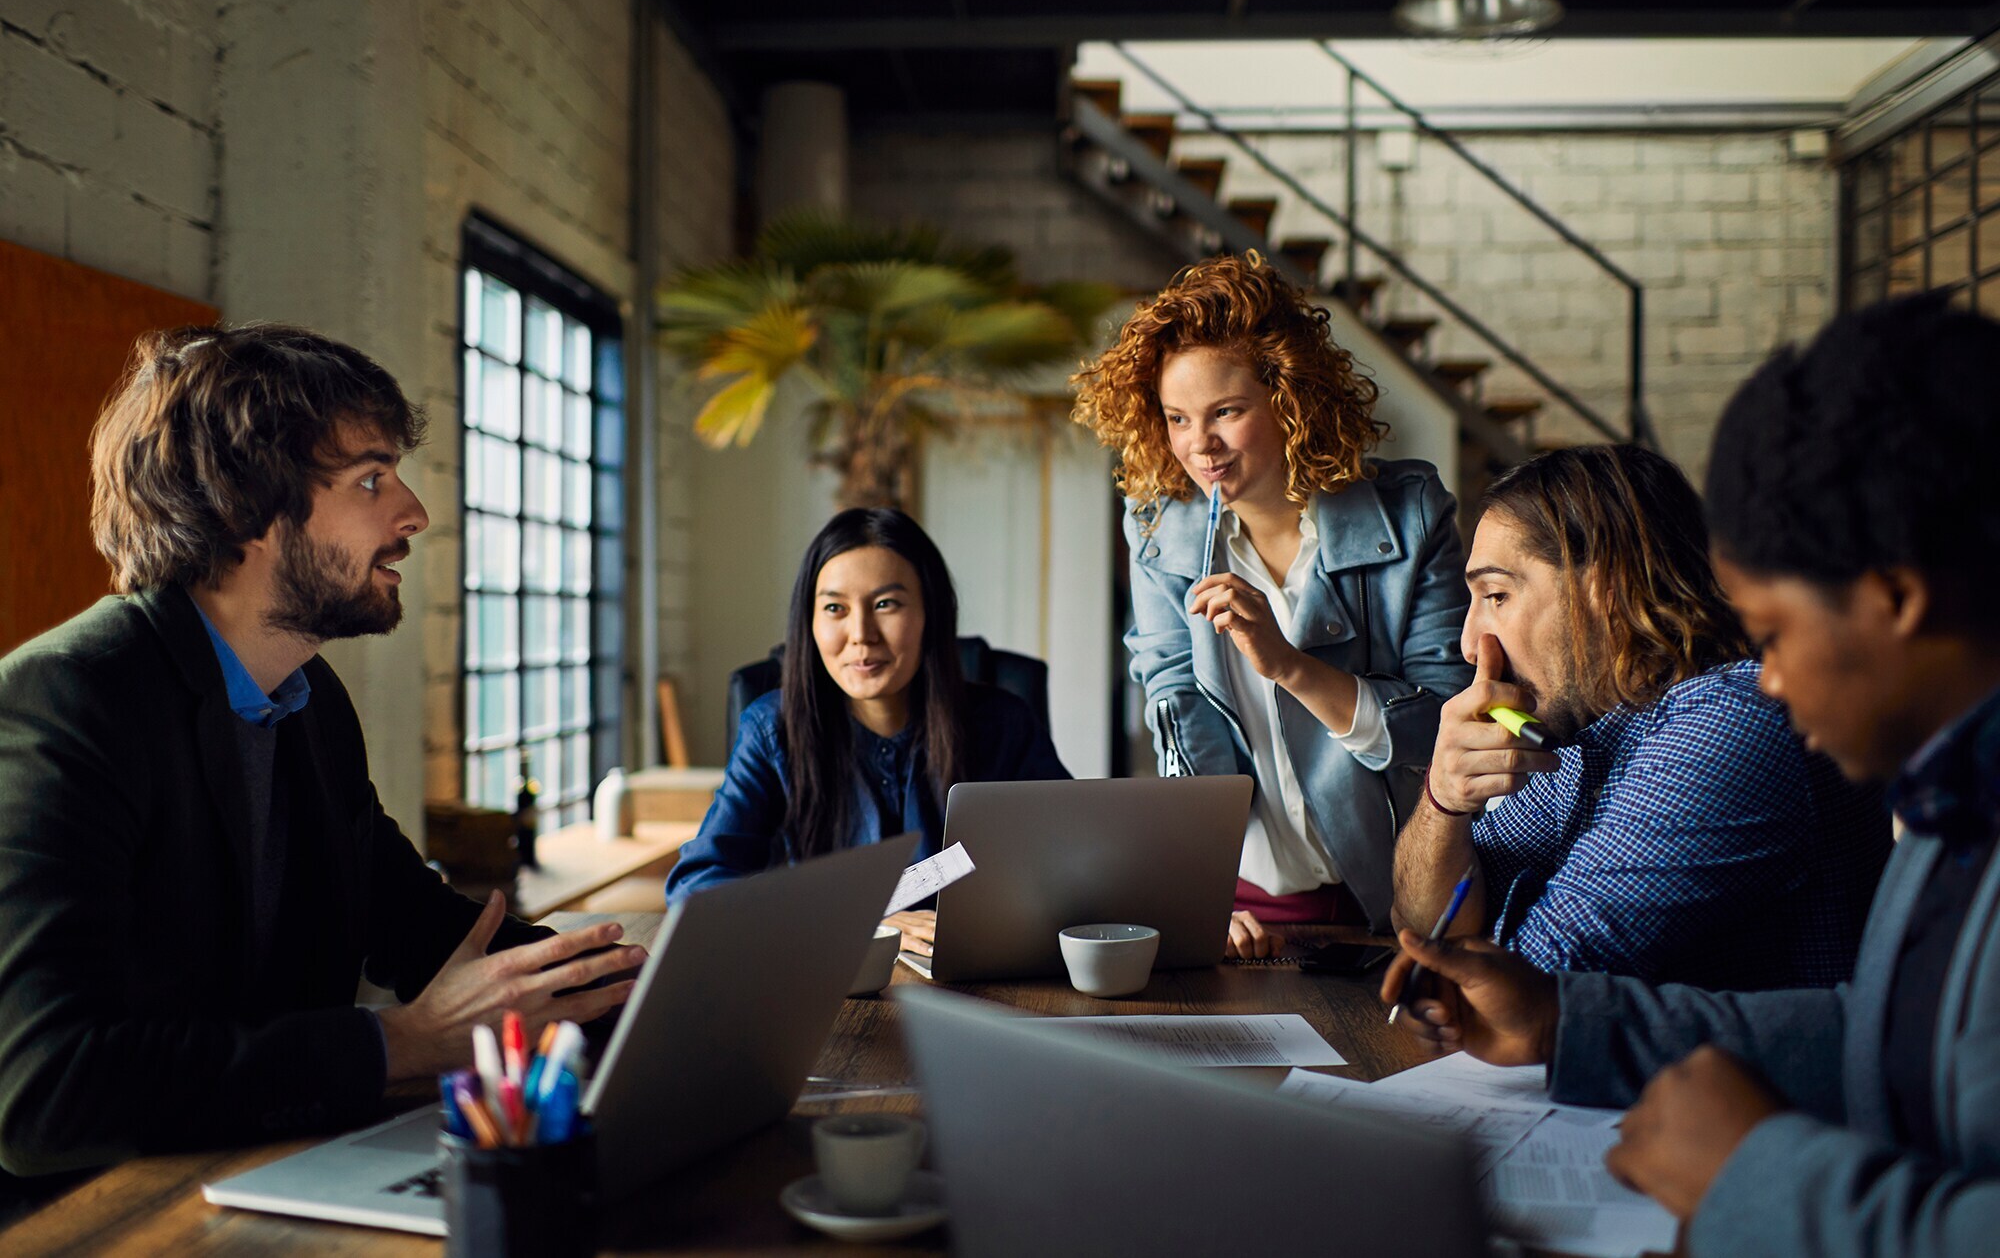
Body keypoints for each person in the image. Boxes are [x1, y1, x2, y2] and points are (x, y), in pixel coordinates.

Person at [1382, 293, 2000, 1257]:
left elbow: (1537, 944)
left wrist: (1759, 1178)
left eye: (1777, 633)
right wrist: (1561, 1018)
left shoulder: (1742, 715)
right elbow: (1890, 1034)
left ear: (1896, 600)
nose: (1774, 678)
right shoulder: (1950, 794)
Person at [0, 326, 644, 1184]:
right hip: (98, 1214)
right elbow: (43, 1092)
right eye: (371, 479)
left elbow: (416, 920)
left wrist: (635, 990)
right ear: (243, 508)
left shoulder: (308, 699)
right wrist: (402, 1041)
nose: (413, 514)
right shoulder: (67, 700)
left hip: (263, 1169)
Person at [1071, 253, 1471, 952]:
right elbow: (1176, 707)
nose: (1200, 446)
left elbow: (1440, 728)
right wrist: (1195, 893)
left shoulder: (1410, 516)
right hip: (1246, 905)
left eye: (1226, 412)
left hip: (1401, 900)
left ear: (1290, 400)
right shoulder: (1159, 530)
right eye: (1177, 418)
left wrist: (1289, 665)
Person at [1392, 445, 1887, 989]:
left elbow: (1527, 984)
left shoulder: (1730, 723)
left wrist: (1462, 954)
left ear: (1608, 589)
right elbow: (1425, 930)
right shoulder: (1586, 733)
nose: (1469, 645)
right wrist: (1443, 801)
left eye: (1497, 595)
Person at [665, 508, 1069, 956]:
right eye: (834, 608)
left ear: (930, 614)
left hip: (975, 967)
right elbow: (695, 886)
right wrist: (853, 918)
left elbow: (1075, 858)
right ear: (809, 623)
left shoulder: (1003, 723)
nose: (861, 634)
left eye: (885, 604)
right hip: (828, 973)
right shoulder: (772, 729)